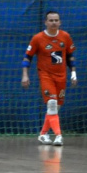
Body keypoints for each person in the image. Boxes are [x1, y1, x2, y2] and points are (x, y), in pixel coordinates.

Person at [21, 11, 77, 146]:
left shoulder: (65, 37)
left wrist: (73, 73)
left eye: (56, 20)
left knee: (55, 108)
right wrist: (25, 75)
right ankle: (58, 136)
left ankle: (43, 134)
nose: (53, 23)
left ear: (60, 22)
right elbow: (27, 57)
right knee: (51, 104)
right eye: (51, 20)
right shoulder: (37, 38)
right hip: (46, 76)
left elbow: (70, 56)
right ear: (45, 22)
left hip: (61, 77)